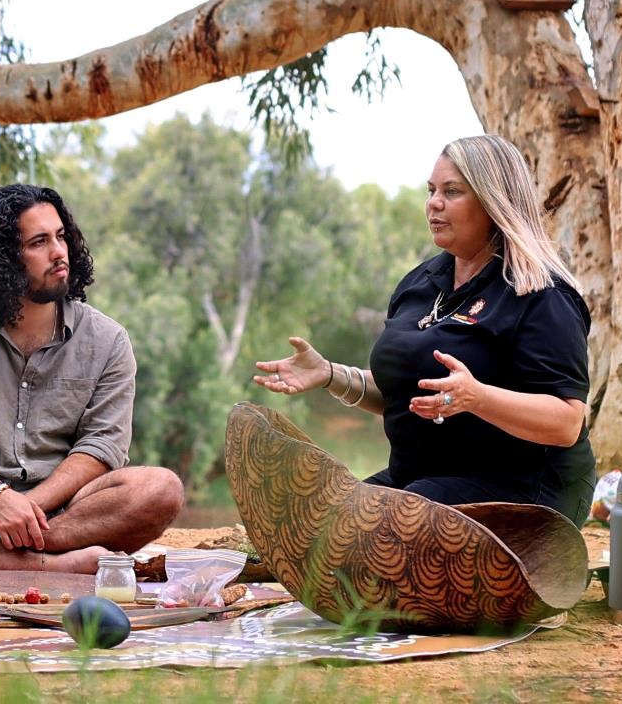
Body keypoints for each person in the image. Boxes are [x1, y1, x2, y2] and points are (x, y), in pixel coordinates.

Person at [254, 134, 597, 524]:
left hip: (525, 490)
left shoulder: (539, 292)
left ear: (492, 202)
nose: (434, 203)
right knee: (318, 525)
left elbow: (567, 422)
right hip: (420, 481)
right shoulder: (420, 283)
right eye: (432, 190)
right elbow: (408, 394)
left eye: (452, 191)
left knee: (376, 534)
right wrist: (331, 375)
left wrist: (477, 398)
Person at [0, 184, 185, 572]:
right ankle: (53, 567)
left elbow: (103, 445)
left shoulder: (107, 340)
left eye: (61, 237)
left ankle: (15, 553)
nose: (59, 252)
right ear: (3, 260)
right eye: (39, 242)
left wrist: (27, 508)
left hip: (69, 511)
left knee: (160, 489)